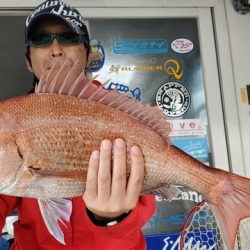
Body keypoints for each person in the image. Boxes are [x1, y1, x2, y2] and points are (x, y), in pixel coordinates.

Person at [0, 1, 155, 249]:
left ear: (88, 54)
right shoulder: (10, 120)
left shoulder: (119, 114)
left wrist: (112, 219)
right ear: (28, 61)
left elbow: (146, 200)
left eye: (68, 37)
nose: (55, 49)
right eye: (40, 39)